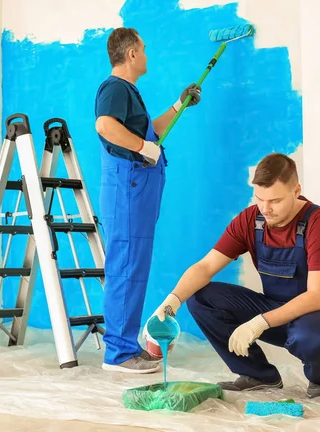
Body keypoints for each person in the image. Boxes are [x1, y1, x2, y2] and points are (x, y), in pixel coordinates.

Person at [150, 153, 320, 398]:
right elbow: (205, 267)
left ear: (296, 190)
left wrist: (259, 323)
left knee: (311, 334)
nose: (266, 209)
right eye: (260, 199)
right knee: (200, 297)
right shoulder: (250, 220)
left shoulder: (319, 222)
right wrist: (172, 301)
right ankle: (257, 375)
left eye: (275, 201)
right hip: (276, 307)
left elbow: (318, 297)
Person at [94, 27, 202, 373]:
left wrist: (179, 103)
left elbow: (151, 131)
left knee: (132, 269)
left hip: (135, 191)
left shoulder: (129, 92)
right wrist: (143, 148)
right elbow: (105, 126)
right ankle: (120, 353)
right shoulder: (114, 88)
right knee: (125, 270)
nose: (147, 54)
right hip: (128, 189)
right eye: (143, 48)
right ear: (131, 55)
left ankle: (125, 347)